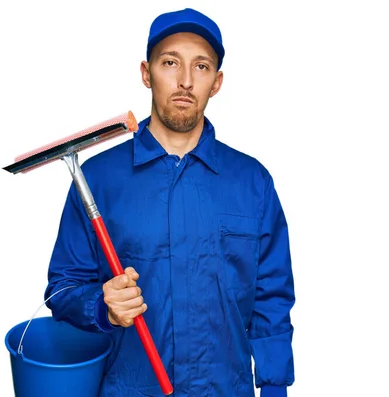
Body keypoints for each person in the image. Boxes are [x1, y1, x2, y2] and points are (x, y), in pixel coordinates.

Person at [44, 7, 296, 397]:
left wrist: (275, 387)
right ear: (146, 73)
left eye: (201, 67)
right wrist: (102, 305)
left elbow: (272, 298)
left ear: (217, 82)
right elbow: (61, 289)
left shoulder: (252, 182)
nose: (184, 81)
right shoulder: (97, 180)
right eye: (170, 63)